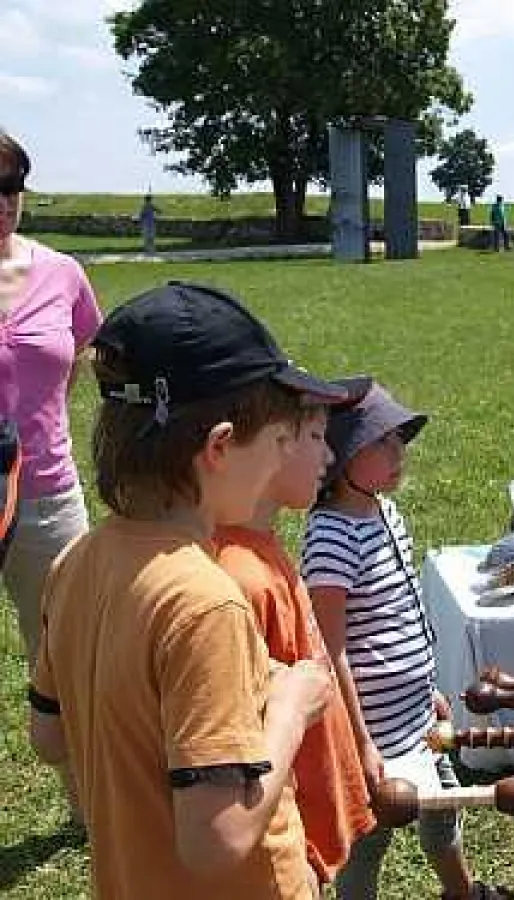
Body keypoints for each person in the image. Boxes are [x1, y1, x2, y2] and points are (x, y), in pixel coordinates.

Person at [27, 281, 348, 899]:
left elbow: (48, 737)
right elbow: (217, 840)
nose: (281, 458)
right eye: (280, 441)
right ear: (219, 446)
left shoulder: (76, 560)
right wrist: (289, 709)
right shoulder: (207, 603)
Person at [301, 381, 509, 900]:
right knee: (367, 839)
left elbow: (404, 611)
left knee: (444, 812)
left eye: (399, 440)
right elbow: (330, 650)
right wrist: (360, 743)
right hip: (373, 728)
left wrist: (427, 689)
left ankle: (462, 892)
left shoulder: (385, 513)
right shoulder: (330, 536)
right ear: (342, 455)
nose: (399, 453)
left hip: (415, 717)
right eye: (382, 442)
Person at [214, 379, 377, 887]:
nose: (329, 455)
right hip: (284, 843)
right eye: (315, 437)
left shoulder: (264, 546)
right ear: (272, 444)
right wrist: (297, 852)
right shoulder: (240, 577)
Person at [1, 131, 102, 673]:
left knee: (67, 654)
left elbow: (81, 348)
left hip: (47, 494)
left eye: (11, 185)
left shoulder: (63, 273)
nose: (3, 201)